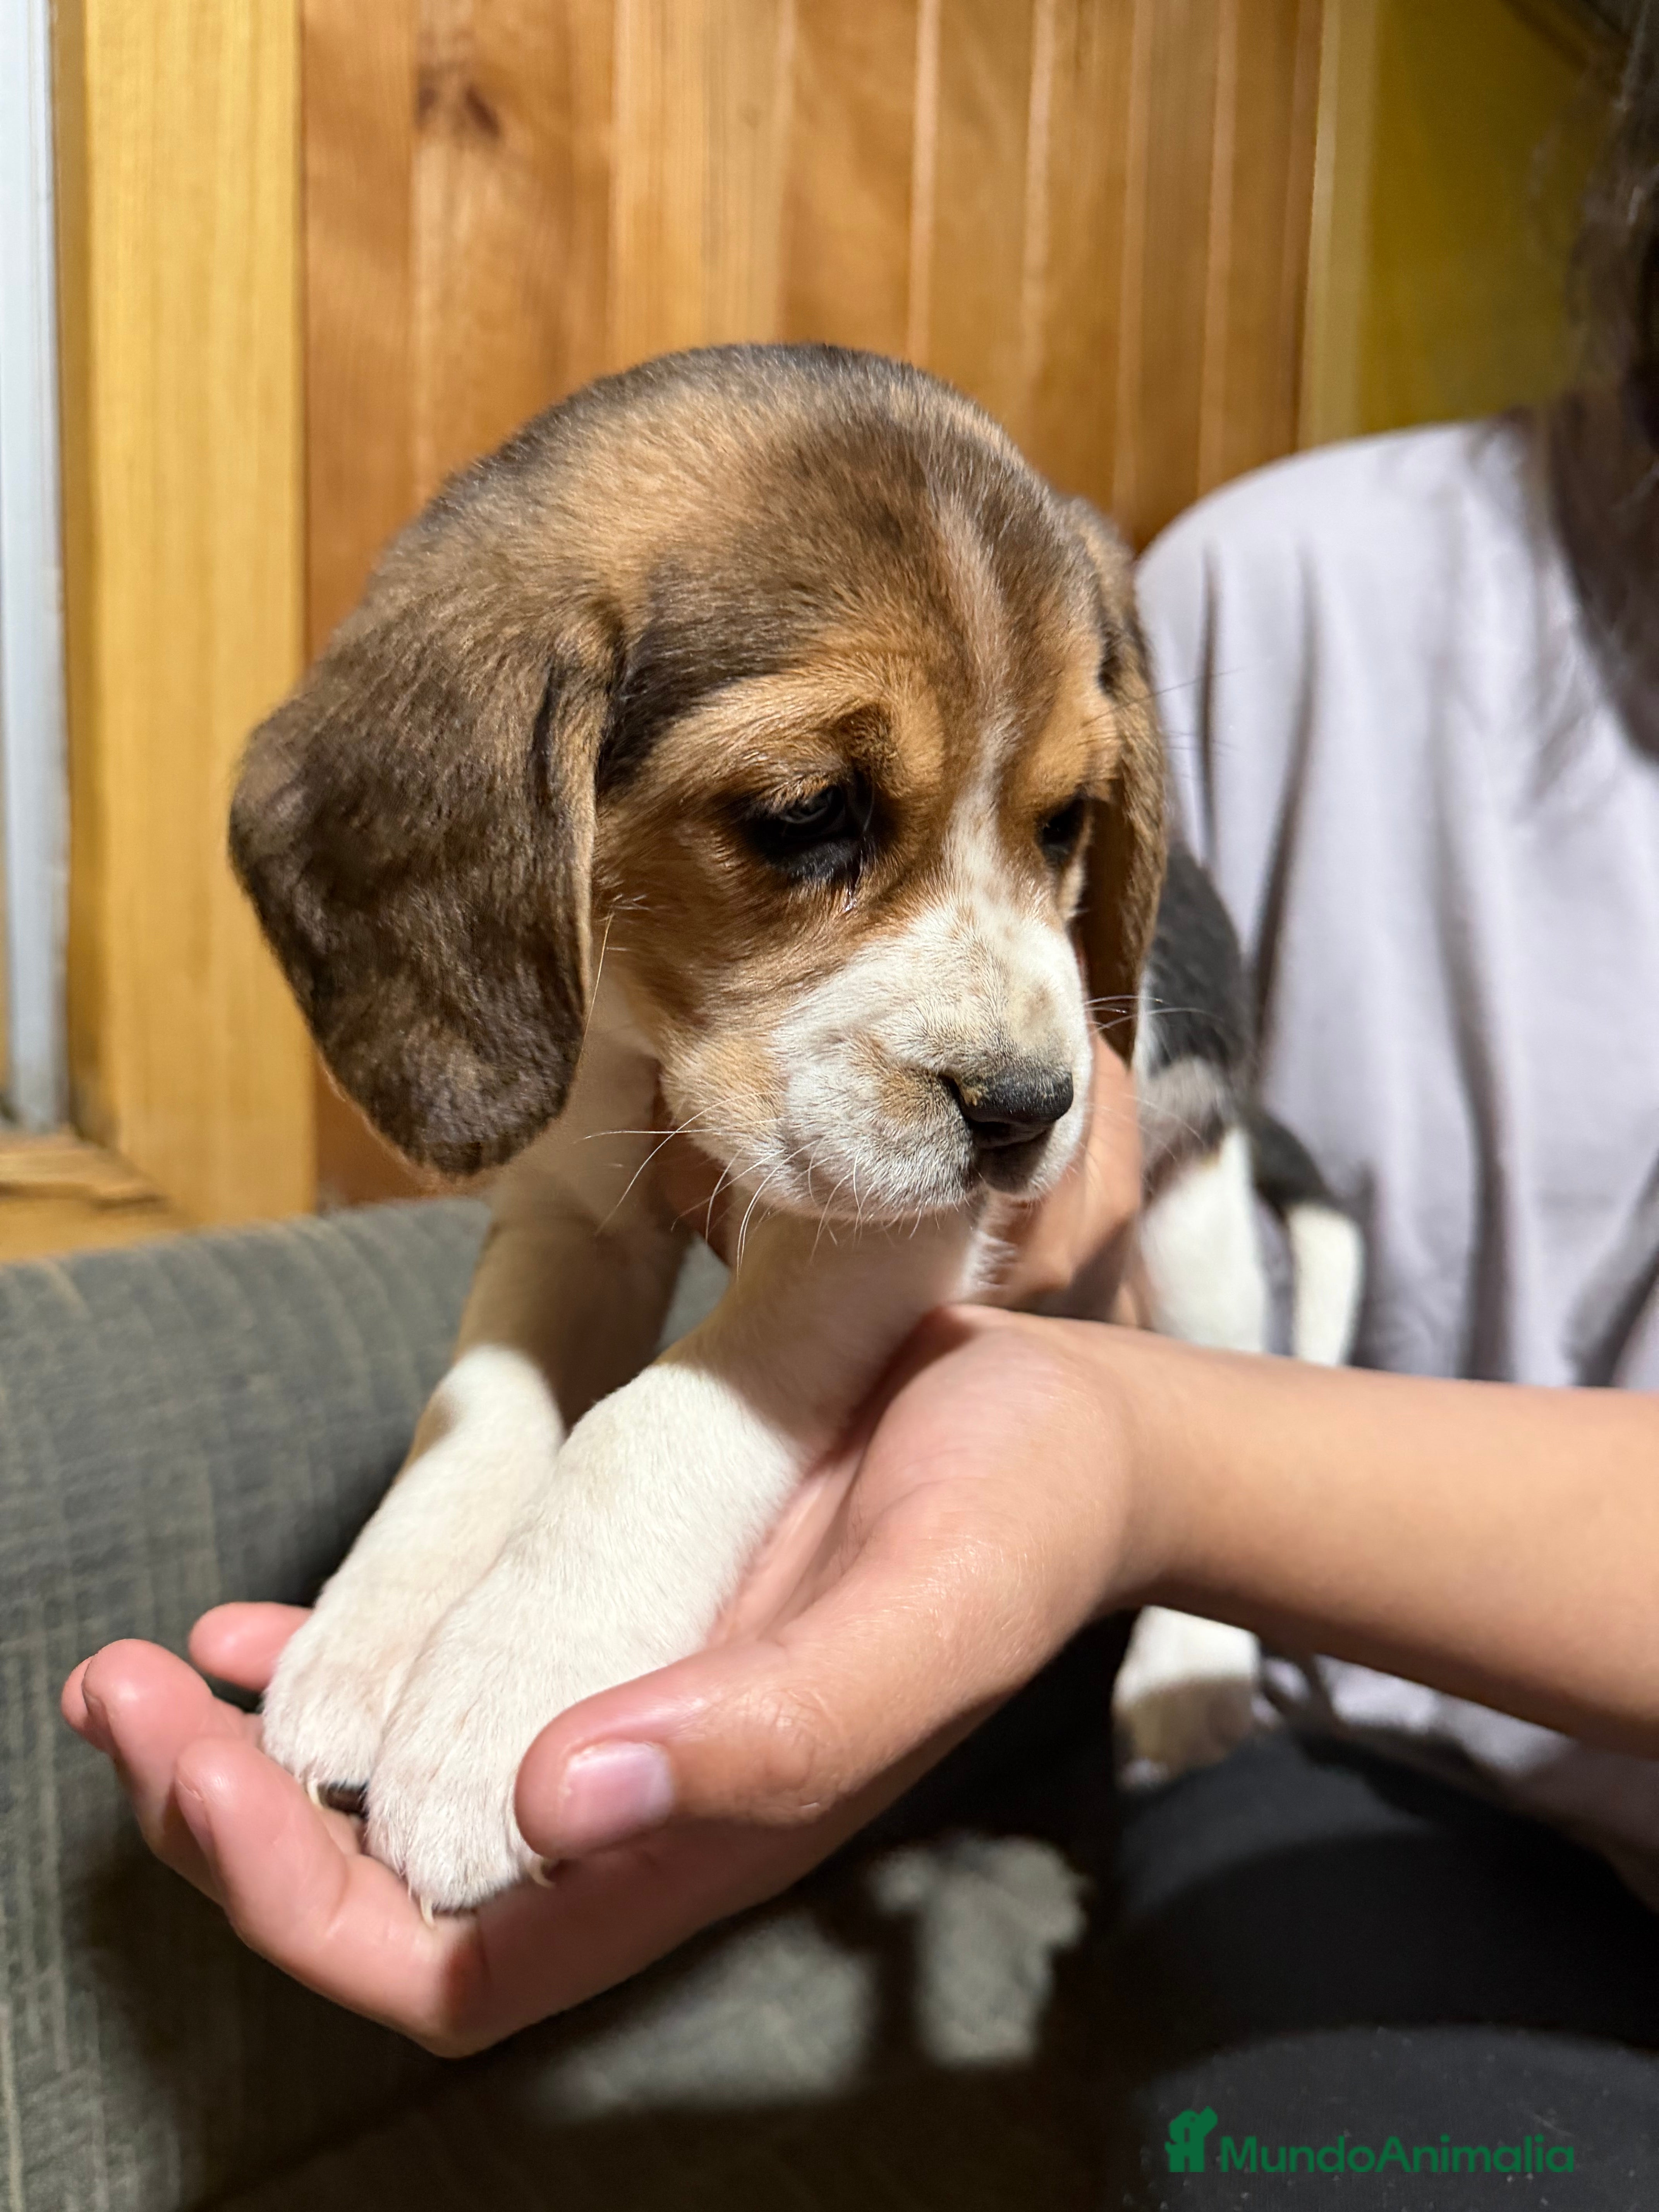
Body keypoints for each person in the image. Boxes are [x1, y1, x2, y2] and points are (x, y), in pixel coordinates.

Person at [65, 3, 1659, 2177]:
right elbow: (568, 1225)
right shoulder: (1301, 582)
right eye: (816, 816)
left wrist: (1148, 1507)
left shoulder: (1078, 873)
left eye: (1065, 827)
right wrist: (458, 1522)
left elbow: (1079, 1114)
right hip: (1375, 1810)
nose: (1018, 1031)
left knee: (1207, 1188)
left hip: (1259, 1379)